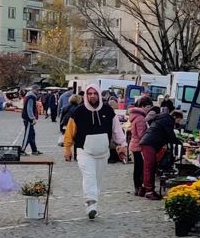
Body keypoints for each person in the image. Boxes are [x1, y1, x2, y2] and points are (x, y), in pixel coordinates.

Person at [63, 85, 127, 219]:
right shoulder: (79, 111)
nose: (92, 96)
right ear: (86, 95)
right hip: (84, 151)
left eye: (95, 93)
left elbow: (117, 130)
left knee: (97, 180)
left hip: (102, 152)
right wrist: (67, 148)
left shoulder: (108, 110)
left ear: (98, 94)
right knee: (89, 176)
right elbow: (69, 131)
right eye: (89, 93)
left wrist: (122, 145)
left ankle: (93, 206)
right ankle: (90, 203)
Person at [139, 108, 183, 199]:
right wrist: (180, 143)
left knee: (150, 166)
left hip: (148, 142)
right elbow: (170, 135)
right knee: (150, 167)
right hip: (150, 144)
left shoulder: (162, 118)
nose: (179, 122)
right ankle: (149, 191)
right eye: (179, 120)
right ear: (175, 117)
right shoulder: (168, 120)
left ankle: (143, 189)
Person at [127, 96, 153, 195]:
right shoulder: (141, 118)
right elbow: (141, 134)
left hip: (134, 144)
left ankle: (137, 188)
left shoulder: (135, 116)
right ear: (142, 106)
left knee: (137, 167)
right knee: (140, 168)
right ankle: (139, 188)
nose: (148, 109)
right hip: (138, 145)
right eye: (147, 107)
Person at [21, 86, 42, 156]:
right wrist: (33, 118)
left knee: (32, 134)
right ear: (33, 90)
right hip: (28, 119)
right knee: (27, 135)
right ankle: (22, 150)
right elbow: (29, 109)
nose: (38, 92)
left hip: (27, 118)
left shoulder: (30, 96)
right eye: (37, 90)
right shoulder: (31, 97)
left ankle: (34, 150)